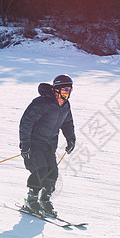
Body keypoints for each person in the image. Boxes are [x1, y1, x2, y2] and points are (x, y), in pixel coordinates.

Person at [19, 74, 76, 215]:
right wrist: (25, 144)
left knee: (52, 172)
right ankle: (30, 200)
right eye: (64, 90)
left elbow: (67, 123)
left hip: (50, 145)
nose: (67, 93)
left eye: (69, 90)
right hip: (35, 144)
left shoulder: (65, 106)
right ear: (56, 90)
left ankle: (45, 200)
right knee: (41, 169)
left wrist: (71, 139)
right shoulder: (41, 103)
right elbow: (26, 122)